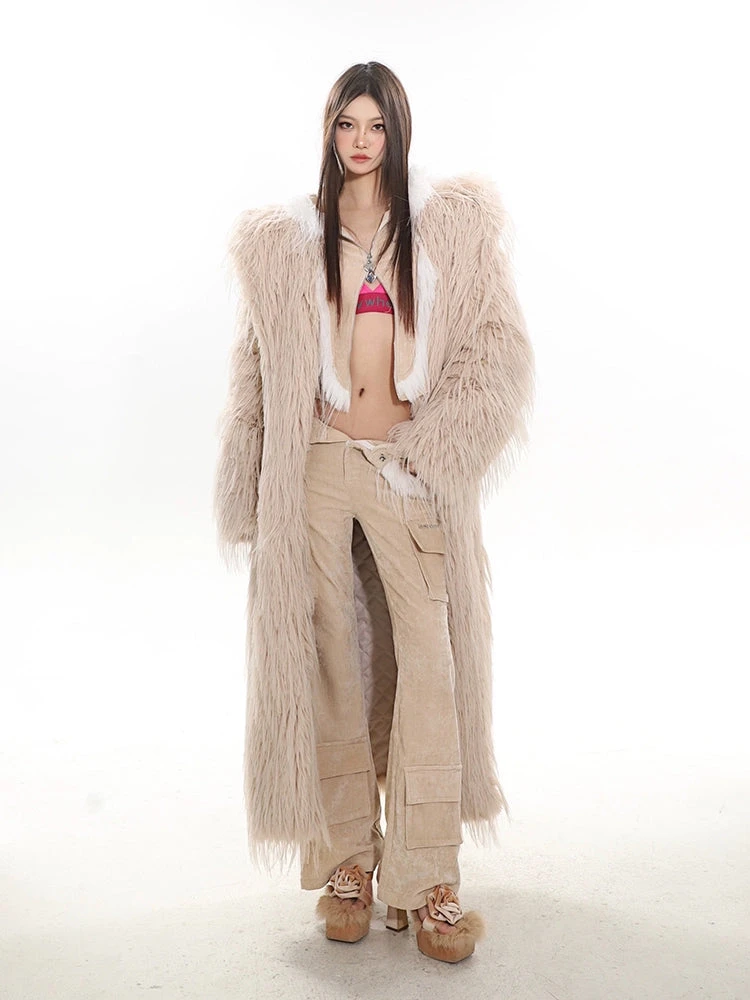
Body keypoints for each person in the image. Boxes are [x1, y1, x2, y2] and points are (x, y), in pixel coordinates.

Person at [213, 61, 535, 964]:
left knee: (429, 660)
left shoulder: (448, 229)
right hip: (317, 464)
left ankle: (428, 878)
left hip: (405, 464)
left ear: (398, 131)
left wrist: (439, 448)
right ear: (329, 131)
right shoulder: (288, 240)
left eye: (376, 125)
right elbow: (256, 369)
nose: (360, 141)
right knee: (329, 658)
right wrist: (249, 483)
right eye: (346, 124)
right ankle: (348, 862)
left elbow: (498, 350)